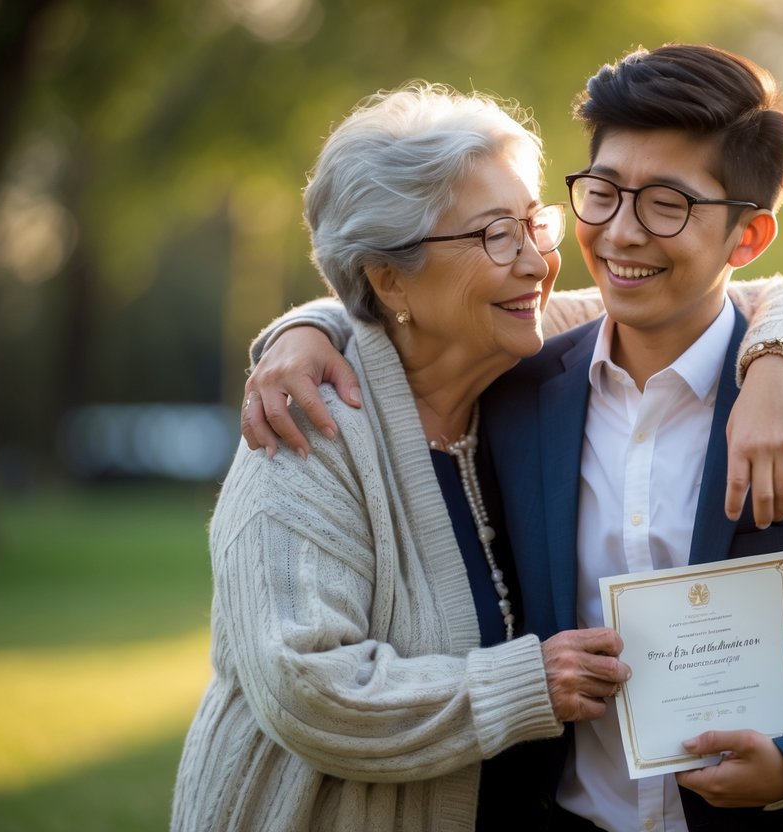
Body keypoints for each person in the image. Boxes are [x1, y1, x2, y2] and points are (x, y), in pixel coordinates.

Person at [246, 43, 783, 832]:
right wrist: (306, 329)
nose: (620, 234)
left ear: (747, 239)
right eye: (602, 194)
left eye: (666, 204)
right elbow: (410, 312)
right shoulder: (515, 393)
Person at [171, 82, 640, 832]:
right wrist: (526, 685)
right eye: (495, 235)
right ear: (390, 278)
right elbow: (310, 688)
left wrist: (782, 363)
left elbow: (767, 298)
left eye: (532, 224)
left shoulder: (530, 342)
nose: (535, 264)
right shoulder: (306, 428)